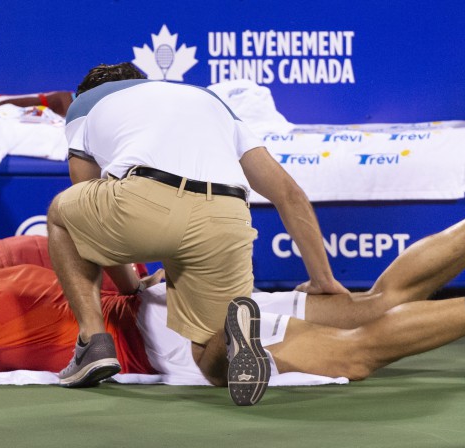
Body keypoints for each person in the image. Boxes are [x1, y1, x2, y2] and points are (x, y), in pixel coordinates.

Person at [0, 147, 465, 396]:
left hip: (175, 340)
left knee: (354, 351)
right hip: (181, 287)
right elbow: (111, 259)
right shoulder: (6, 259)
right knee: (371, 307)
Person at [46, 61, 344, 404]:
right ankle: (234, 334)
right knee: (209, 360)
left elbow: (90, 221)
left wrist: (131, 287)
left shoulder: (85, 103)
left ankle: (92, 342)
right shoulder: (210, 100)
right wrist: (323, 280)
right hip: (228, 213)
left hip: (147, 199)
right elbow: (288, 195)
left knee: (62, 214)